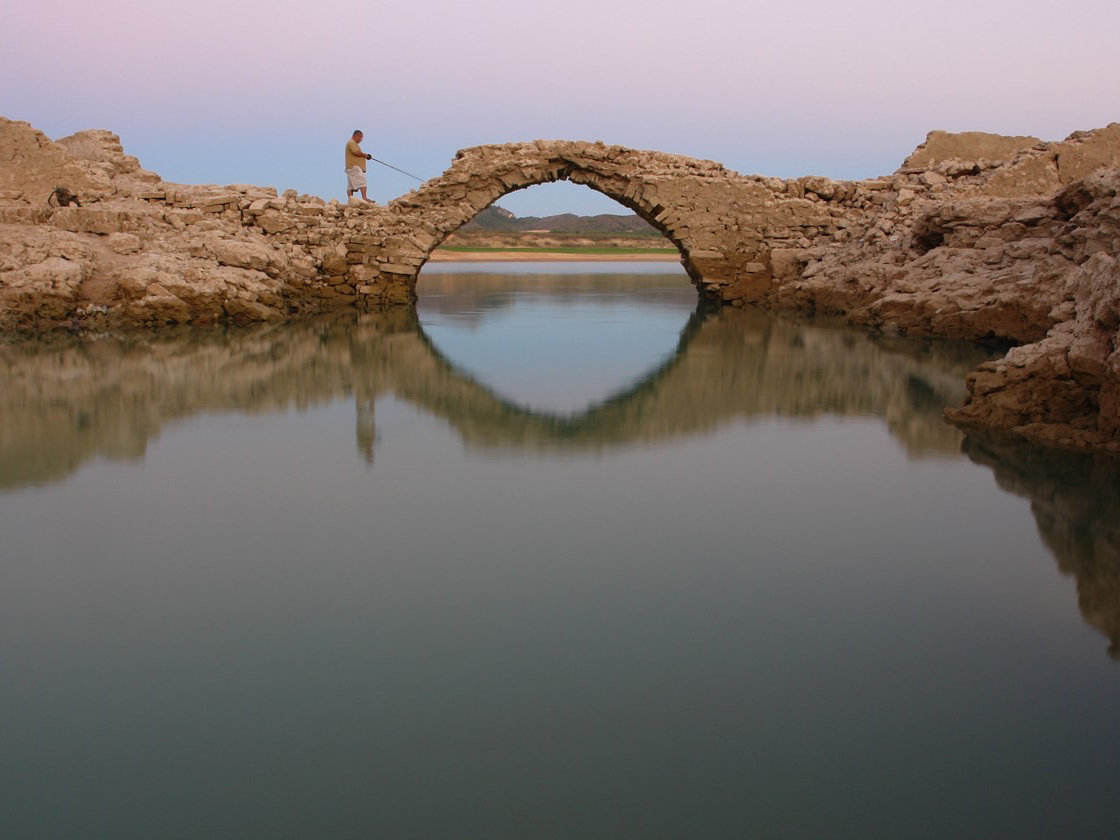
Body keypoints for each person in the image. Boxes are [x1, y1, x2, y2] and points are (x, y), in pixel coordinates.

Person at [345, 130, 374, 204]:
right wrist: (365, 155)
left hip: (350, 167)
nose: (361, 139)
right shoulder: (352, 142)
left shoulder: (352, 143)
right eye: (360, 137)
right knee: (362, 181)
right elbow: (356, 152)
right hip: (354, 166)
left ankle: (351, 200)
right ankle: (364, 198)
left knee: (350, 185)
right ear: (355, 135)